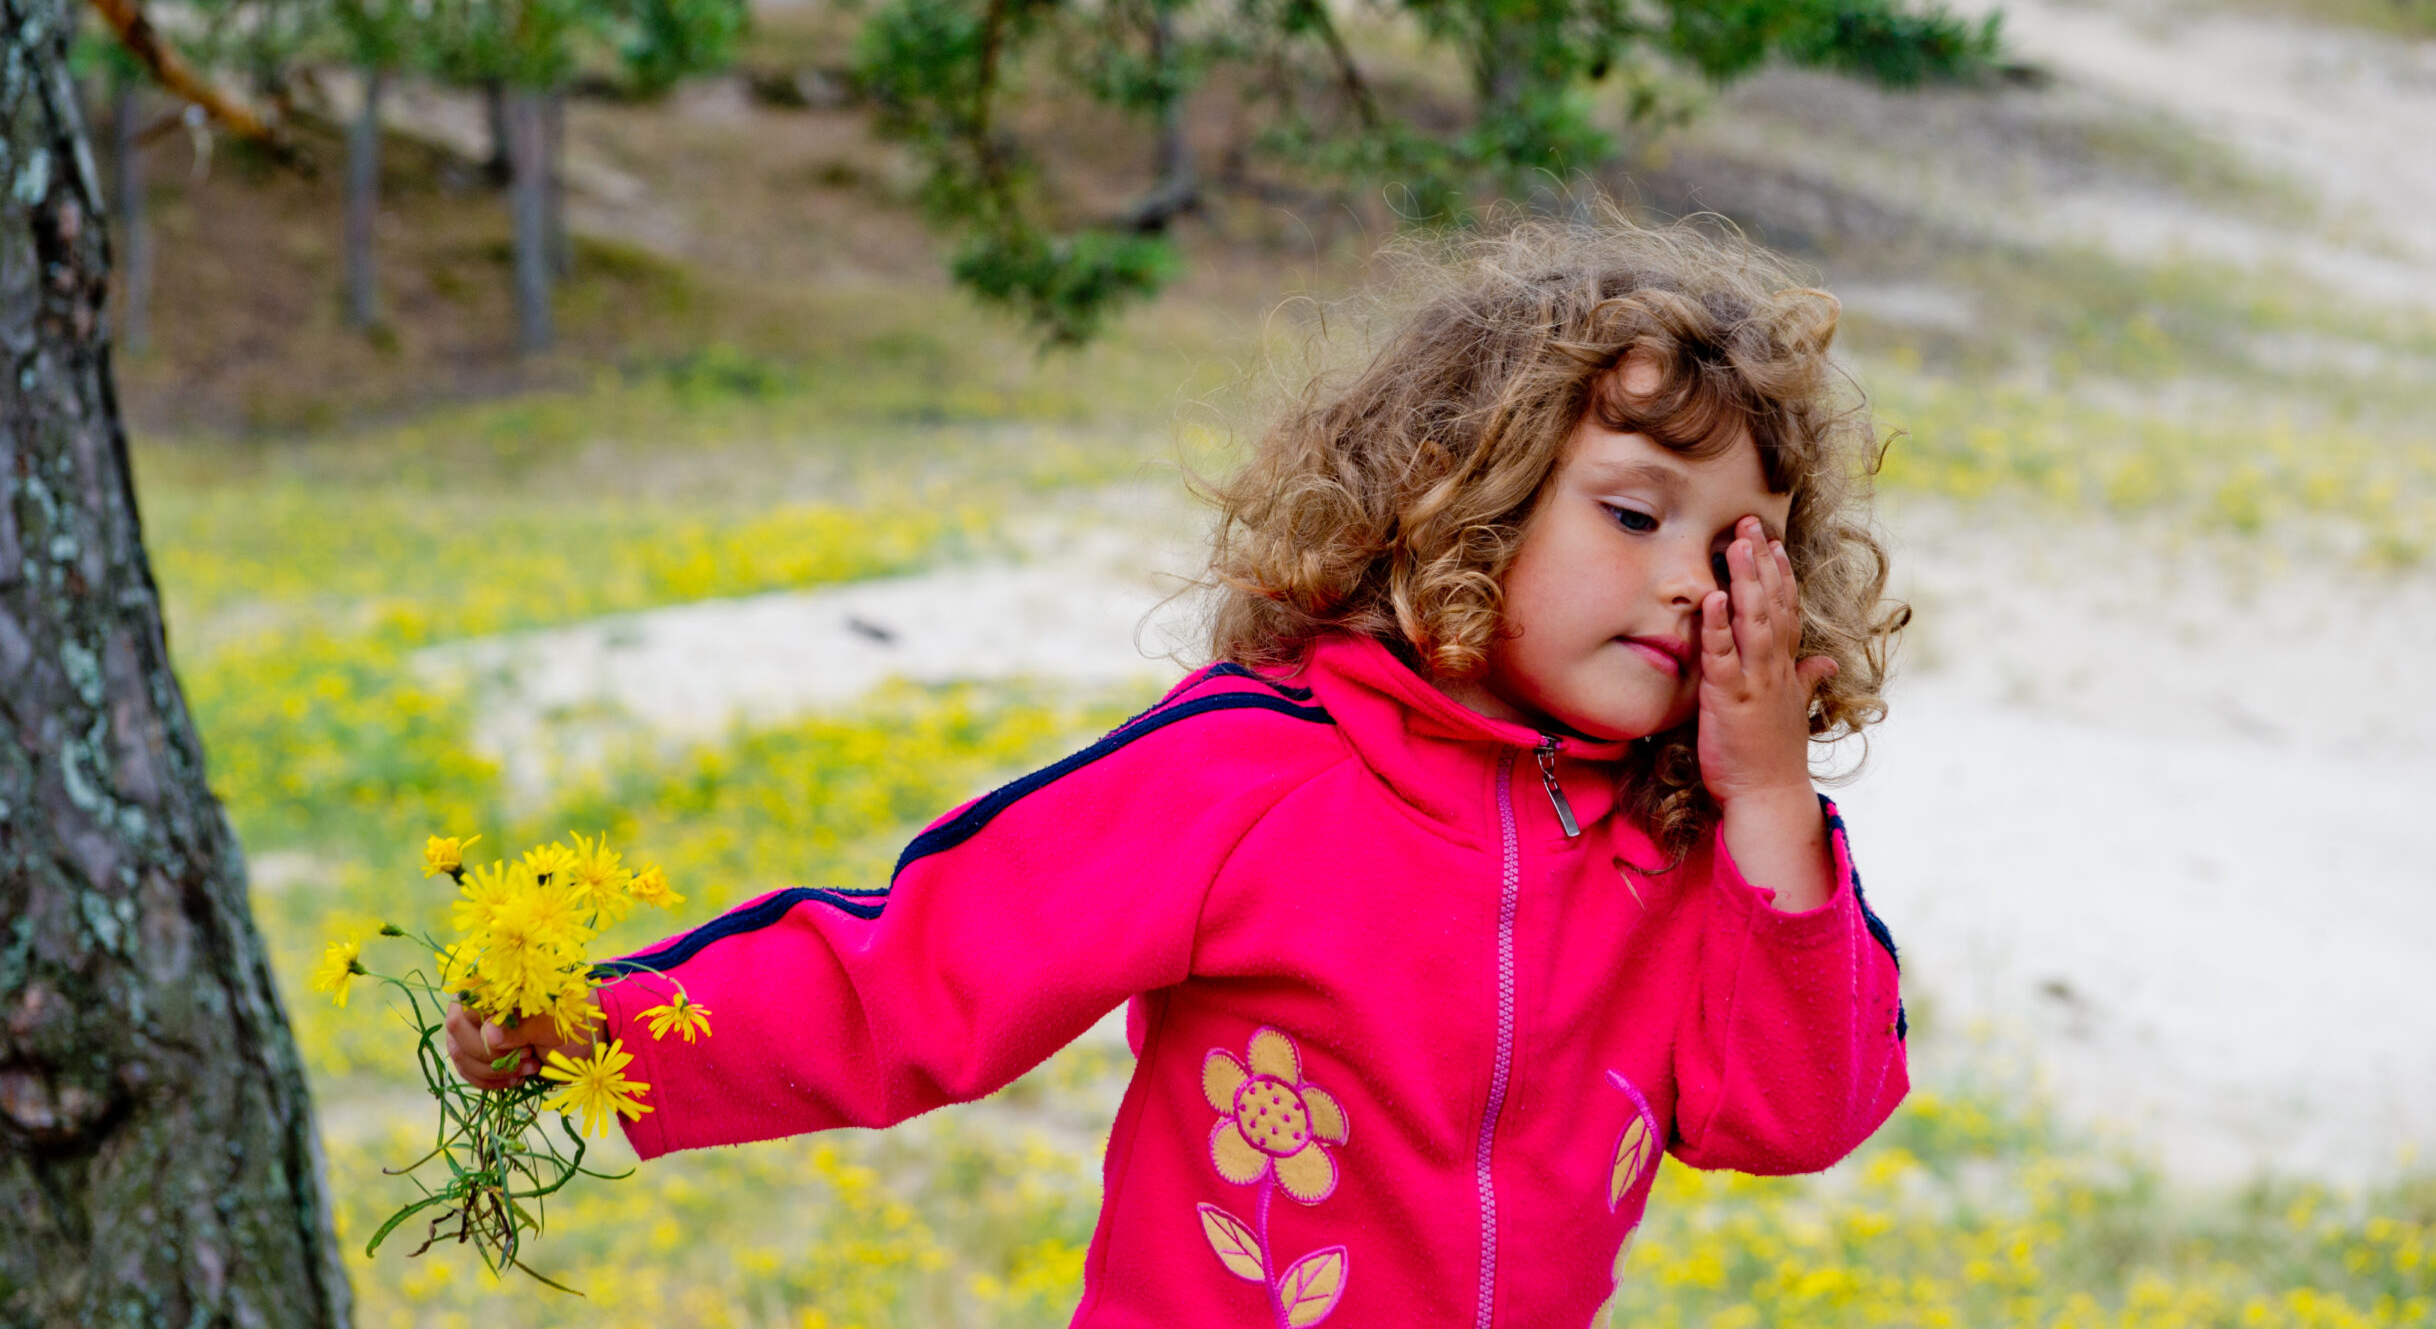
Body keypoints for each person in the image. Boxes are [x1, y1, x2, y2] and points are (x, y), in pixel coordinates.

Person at [446, 220, 1911, 1327]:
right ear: (1472, 486)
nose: (1686, 586)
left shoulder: (1682, 850)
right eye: (1637, 513)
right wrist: (605, 1031)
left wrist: (1769, 800)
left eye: (1736, 551)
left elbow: (1799, 1114)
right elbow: (921, 973)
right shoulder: (1246, 778)